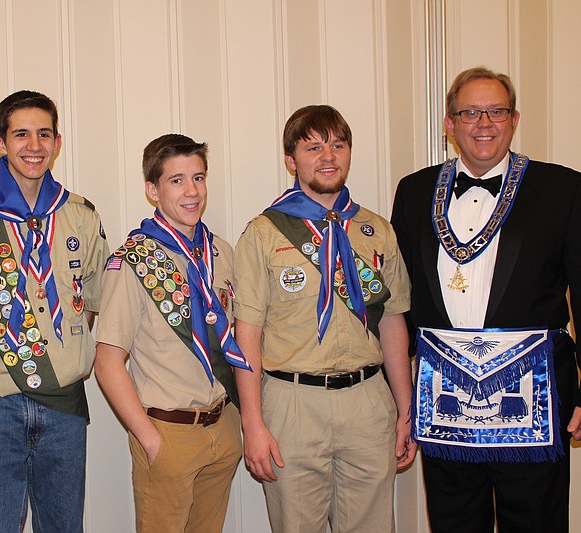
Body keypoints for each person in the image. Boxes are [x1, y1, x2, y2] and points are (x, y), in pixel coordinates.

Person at [391, 66, 581, 533]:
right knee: (454, 524)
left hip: (536, 398)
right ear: (449, 124)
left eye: (496, 111)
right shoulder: (413, 191)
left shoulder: (563, 189)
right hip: (445, 400)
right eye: (470, 112)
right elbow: (398, 301)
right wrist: (398, 399)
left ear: (514, 120)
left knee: (536, 523)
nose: (483, 123)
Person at [233, 105, 416, 533]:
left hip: (368, 401)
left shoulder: (376, 229)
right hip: (292, 403)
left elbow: (392, 323)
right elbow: (248, 336)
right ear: (291, 160)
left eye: (337, 144)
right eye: (313, 147)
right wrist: (252, 423)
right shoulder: (264, 233)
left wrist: (406, 409)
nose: (328, 156)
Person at [0, 90, 108, 532]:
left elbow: (95, 301)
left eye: (44, 134)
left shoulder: (79, 214)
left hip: (64, 406)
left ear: (57, 141)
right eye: (22, 134)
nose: (34, 146)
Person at [94, 134, 251, 533]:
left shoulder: (221, 253)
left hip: (222, 426)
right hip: (169, 433)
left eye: (198, 178)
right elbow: (108, 362)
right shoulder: (133, 262)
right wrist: (149, 439)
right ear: (153, 190)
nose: (192, 191)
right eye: (177, 180)